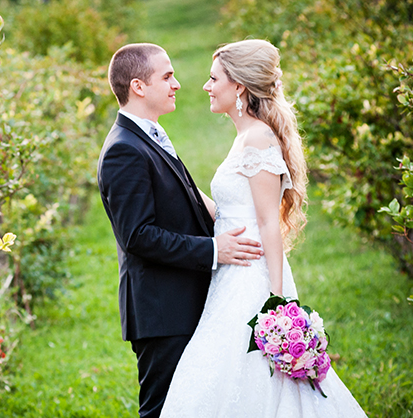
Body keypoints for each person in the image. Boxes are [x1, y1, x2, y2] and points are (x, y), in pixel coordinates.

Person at [159, 39, 367, 417]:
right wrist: (176, 181)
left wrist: (276, 302)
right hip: (231, 273)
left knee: (251, 370)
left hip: (252, 279)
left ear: (238, 86)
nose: (206, 86)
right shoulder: (245, 136)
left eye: (213, 78)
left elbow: (270, 221)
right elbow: (231, 209)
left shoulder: (257, 137)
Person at [97, 43, 266, 418]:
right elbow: (138, 236)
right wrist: (213, 250)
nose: (177, 84)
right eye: (167, 76)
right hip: (162, 310)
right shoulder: (123, 150)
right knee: (163, 411)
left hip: (183, 301)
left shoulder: (150, 135)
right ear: (139, 87)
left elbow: (185, 199)